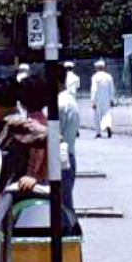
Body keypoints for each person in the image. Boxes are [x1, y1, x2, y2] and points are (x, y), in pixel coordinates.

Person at [58, 66, 80, 211]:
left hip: (61, 158)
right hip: (69, 154)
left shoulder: (59, 104)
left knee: (62, 206)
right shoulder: (70, 100)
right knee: (66, 204)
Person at [90, 59, 116, 138]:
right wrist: (112, 99)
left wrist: (93, 100)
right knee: (106, 114)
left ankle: (98, 133)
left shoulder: (95, 77)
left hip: (98, 99)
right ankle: (108, 126)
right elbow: (111, 89)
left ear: (97, 67)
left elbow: (94, 89)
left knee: (97, 116)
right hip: (107, 98)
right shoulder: (108, 76)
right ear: (104, 67)